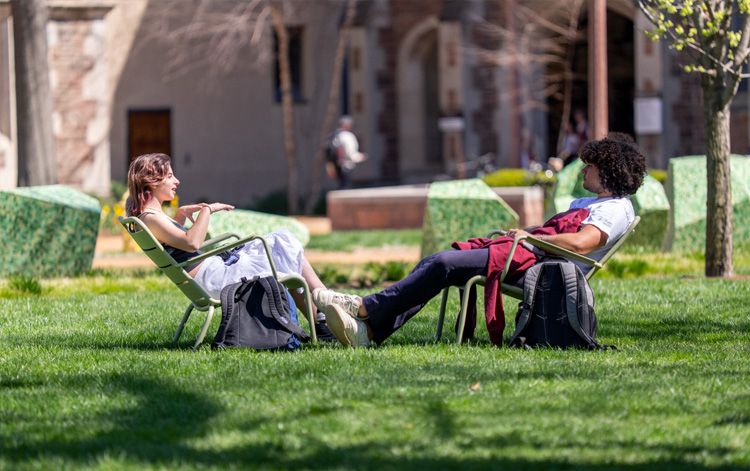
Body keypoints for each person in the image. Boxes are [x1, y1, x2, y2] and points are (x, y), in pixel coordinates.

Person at [313, 134, 646, 348]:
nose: (583, 170)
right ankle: (370, 332)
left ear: (610, 172)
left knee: (443, 264)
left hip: (540, 269)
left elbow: (581, 244)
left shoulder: (615, 209)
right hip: (528, 255)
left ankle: (364, 308)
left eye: (590, 166)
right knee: (436, 263)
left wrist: (529, 237)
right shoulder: (591, 203)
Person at [125, 153, 336, 339]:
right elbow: (191, 243)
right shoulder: (151, 218)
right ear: (152, 182)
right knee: (280, 244)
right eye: (170, 176)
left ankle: (324, 316)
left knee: (280, 253)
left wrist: (179, 216)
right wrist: (207, 210)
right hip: (215, 279)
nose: (177, 181)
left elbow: (175, 246)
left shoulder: (149, 217)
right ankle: (327, 311)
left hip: (212, 273)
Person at [327, 115, 366, 189]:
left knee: (340, 185)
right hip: (345, 165)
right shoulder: (347, 136)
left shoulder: (333, 135)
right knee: (345, 187)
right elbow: (350, 152)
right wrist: (359, 157)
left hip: (335, 165)